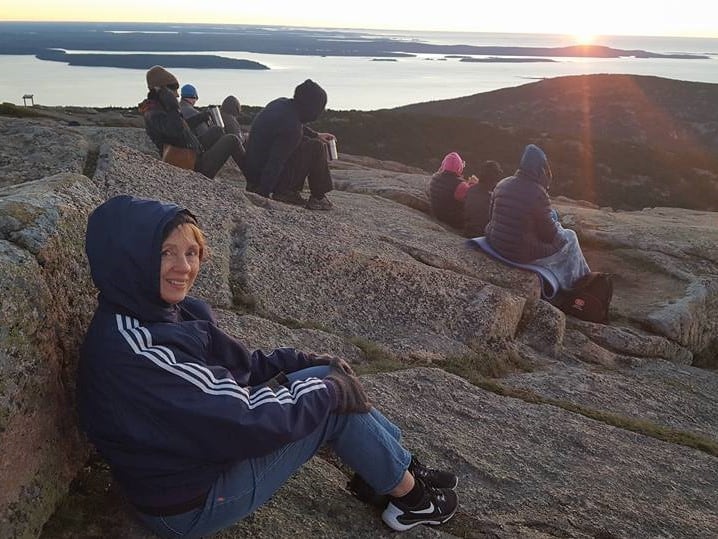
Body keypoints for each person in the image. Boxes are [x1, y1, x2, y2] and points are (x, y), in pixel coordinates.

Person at [78, 195, 459, 538]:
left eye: (191, 252)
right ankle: (414, 500)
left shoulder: (158, 310)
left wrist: (303, 361)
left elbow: (240, 365)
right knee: (332, 403)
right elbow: (240, 417)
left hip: (195, 459)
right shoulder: (137, 349)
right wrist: (329, 391)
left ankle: (395, 468)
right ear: (131, 257)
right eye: (165, 253)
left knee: (326, 377)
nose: (184, 267)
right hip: (185, 505)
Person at [485, 144, 590, 289]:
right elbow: (549, 235)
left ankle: (582, 279)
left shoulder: (502, 184)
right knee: (570, 236)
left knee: (551, 214)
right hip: (520, 253)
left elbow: (491, 218)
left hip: (496, 244)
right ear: (541, 169)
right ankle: (582, 282)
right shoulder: (538, 194)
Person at [139, 66, 245, 179]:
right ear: (162, 91)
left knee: (217, 130)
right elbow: (175, 131)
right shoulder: (154, 114)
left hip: (194, 152)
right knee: (232, 140)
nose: (177, 95)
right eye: (174, 89)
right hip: (191, 165)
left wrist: (201, 117)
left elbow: (182, 128)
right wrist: (173, 106)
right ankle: (253, 179)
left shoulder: (160, 109)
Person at [243, 79, 335, 210]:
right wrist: (261, 195)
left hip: (253, 170)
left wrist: (316, 135)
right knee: (316, 148)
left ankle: (285, 191)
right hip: (260, 178)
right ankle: (315, 198)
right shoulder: (292, 128)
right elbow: (275, 162)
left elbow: (290, 126)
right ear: (311, 108)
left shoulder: (280, 104)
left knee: (307, 141)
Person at [428, 151, 476, 230]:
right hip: (453, 220)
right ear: (458, 167)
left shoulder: (435, 177)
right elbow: (473, 196)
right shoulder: (460, 185)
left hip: (437, 213)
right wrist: (474, 184)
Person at [463, 160, 504, 238]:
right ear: (496, 175)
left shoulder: (471, 190)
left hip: (468, 231)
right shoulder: (497, 194)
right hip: (483, 235)